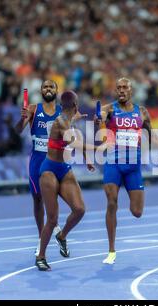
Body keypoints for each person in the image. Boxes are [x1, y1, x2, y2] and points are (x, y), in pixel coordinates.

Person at [96, 78, 158, 265]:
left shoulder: (142, 112)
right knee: (111, 202)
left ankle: (117, 239)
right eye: (118, 87)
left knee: (137, 212)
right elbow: (101, 123)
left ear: (131, 90)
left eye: (124, 88)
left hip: (133, 168)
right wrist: (101, 121)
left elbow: (153, 139)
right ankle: (111, 250)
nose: (121, 91)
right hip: (113, 164)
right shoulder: (109, 109)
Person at [35, 90, 94, 271]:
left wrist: (87, 159)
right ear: (76, 106)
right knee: (52, 218)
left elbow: (75, 135)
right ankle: (41, 256)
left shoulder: (69, 120)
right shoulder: (60, 122)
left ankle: (62, 236)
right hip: (49, 171)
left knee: (79, 209)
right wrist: (99, 148)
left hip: (64, 169)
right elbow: (74, 142)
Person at [15, 80, 62, 256]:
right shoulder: (34, 109)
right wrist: (22, 119)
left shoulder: (61, 112)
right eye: (45, 87)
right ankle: (42, 237)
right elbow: (18, 130)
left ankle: (55, 228)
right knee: (37, 199)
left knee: (54, 198)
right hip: (37, 160)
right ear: (41, 91)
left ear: (57, 91)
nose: (48, 89)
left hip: (56, 160)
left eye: (51, 87)